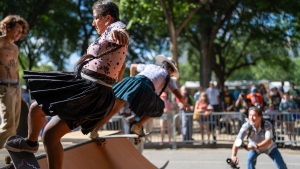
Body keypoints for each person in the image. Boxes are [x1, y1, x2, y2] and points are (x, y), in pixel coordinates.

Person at [5, 1, 129, 169]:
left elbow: (119, 30)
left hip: (90, 92)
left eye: (95, 18)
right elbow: (120, 68)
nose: (93, 23)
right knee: (36, 109)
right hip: (84, 85)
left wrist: (118, 31)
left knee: (50, 135)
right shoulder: (110, 35)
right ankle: (31, 143)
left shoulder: (115, 28)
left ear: (107, 18)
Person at [91, 54, 190, 137]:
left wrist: (132, 79)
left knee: (114, 108)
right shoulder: (167, 77)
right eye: (172, 73)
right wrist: (186, 105)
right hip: (146, 88)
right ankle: (137, 125)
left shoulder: (150, 66)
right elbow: (178, 95)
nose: (171, 75)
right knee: (159, 107)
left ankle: (95, 130)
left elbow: (133, 66)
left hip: (132, 82)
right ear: (170, 69)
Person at [0, 15, 29, 149]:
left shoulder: (15, 48)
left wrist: (20, 91)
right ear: (8, 27)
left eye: (21, 31)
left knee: (14, 126)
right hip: (3, 87)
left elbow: (16, 68)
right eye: (17, 29)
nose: (19, 33)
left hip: (15, 88)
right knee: (8, 125)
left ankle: (8, 154)